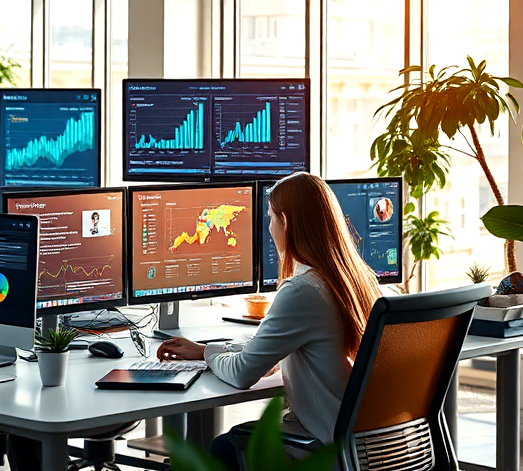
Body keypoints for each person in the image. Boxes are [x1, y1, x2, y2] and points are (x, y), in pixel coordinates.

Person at [157, 173, 381, 470]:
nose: (269, 227)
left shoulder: (302, 291)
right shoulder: (355, 280)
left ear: (285, 221)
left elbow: (243, 373)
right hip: (372, 444)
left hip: (328, 448)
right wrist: (206, 349)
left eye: (270, 218)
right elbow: (274, 348)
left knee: (223, 448)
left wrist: (210, 355)